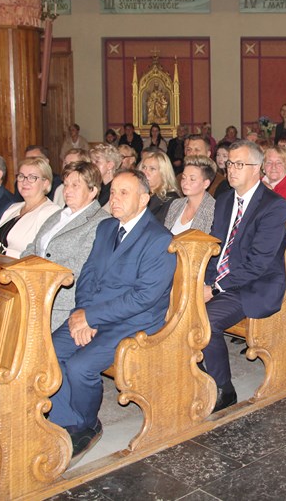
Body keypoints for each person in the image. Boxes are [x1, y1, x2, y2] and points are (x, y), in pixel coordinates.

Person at [50, 169, 177, 457]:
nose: (114, 199)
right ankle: (66, 420)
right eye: (113, 192)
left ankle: (86, 425)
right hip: (95, 312)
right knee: (50, 350)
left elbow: (144, 297)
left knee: (80, 366)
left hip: (133, 321)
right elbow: (88, 274)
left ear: (143, 199)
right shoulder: (106, 228)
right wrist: (82, 312)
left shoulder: (159, 239)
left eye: (124, 193)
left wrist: (93, 318)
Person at [202, 141, 286, 412]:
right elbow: (216, 247)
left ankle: (224, 389)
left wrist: (214, 288)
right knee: (176, 304)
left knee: (206, 320)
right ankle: (197, 373)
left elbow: (257, 264)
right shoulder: (225, 199)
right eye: (229, 163)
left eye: (239, 164)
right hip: (224, 279)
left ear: (256, 168)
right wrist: (202, 280)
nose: (231, 169)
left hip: (255, 285)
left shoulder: (273, 205)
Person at [23, 161, 111, 332]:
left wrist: (38, 272)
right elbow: (32, 246)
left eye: (75, 185)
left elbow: (80, 265)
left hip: (62, 302)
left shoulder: (101, 221)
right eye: (66, 184)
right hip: (35, 290)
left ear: (92, 191)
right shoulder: (59, 214)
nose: (67, 190)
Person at [0, 157, 61, 258]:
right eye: (21, 176)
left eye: (32, 177)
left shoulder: (52, 212)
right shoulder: (13, 208)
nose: (25, 182)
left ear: (45, 183)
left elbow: (43, 253)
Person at [165, 155, 217, 234]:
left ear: (206, 183)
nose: (185, 183)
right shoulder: (176, 204)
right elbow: (164, 235)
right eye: (183, 178)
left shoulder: (213, 210)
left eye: (192, 179)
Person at [139, 148, 181, 223]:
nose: (145, 173)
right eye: (144, 167)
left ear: (163, 173)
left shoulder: (172, 200)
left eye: (152, 169)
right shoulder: (140, 194)